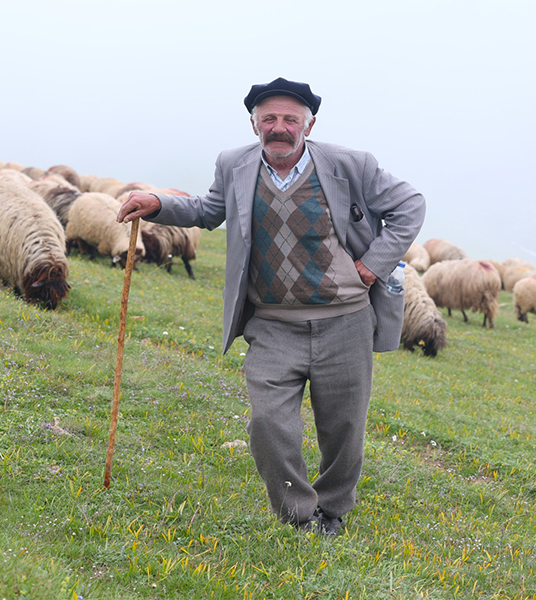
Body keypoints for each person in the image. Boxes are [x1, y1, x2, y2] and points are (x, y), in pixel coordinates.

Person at [118, 77, 425, 536]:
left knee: (343, 429)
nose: (278, 128)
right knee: (267, 425)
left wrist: (371, 266)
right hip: (273, 324)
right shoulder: (235, 164)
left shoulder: (349, 164)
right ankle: (299, 515)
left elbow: (409, 205)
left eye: (289, 119)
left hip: (344, 320)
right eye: (269, 119)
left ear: (309, 124)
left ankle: (334, 510)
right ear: (254, 123)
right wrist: (158, 203)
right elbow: (208, 210)